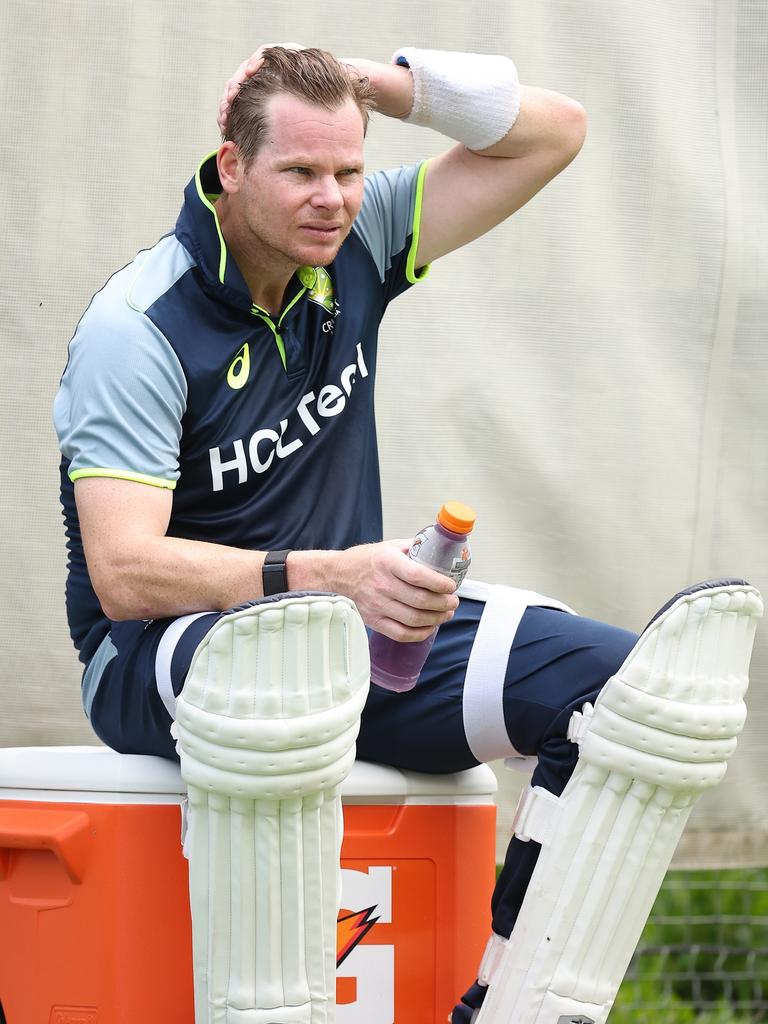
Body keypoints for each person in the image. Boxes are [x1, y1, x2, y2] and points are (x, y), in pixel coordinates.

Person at [54, 45, 761, 1024]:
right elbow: (125, 572)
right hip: (150, 659)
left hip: (345, 645)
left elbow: (554, 132)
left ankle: (514, 1009)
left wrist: (381, 85)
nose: (334, 198)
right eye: (300, 170)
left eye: (349, 169)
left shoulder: (358, 239)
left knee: (630, 697)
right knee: (283, 665)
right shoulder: (139, 326)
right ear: (230, 168)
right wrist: (336, 576)